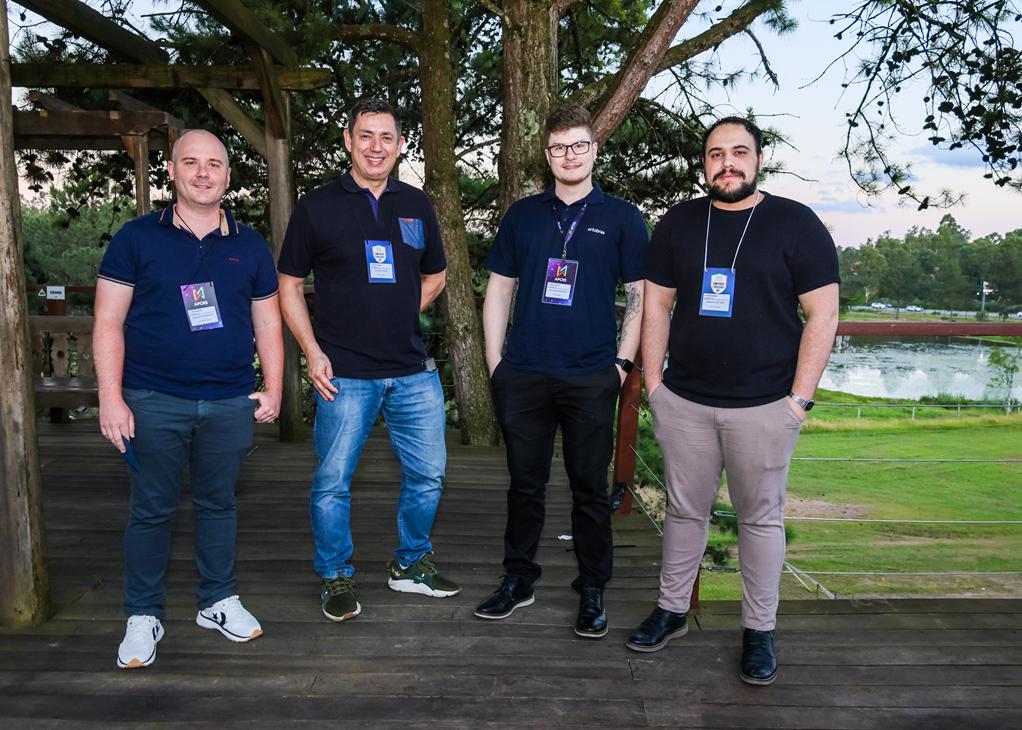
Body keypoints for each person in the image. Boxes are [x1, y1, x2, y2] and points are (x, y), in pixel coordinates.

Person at [626, 116, 839, 685]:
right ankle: (672, 610)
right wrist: (655, 385)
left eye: (739, 152)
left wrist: (798, 400)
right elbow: (657, 305)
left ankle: (758, 630)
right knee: (682, 512)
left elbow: (823, 314)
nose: (727, 163)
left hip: (766, 406)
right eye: (716, 153)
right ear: (705, 164)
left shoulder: (796, 223)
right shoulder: (679, 223)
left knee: (760, 520)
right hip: (685, 402)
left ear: (759, 159)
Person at [94, 129, 283, 669]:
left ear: (228, 175)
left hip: (228, 400)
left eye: (214, 164)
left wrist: (273, 387)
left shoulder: (250, 244)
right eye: (192, 162)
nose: (203, 173)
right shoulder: (135, 238)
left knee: (219, 504)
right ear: (172, 171)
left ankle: (217, 600)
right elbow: (107, 321)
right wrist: (111, 398)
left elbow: (268, 323)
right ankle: (143, 614)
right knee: (151, 508)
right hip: (152, 398)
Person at [277, 98, 459, 623]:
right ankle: (335, 575)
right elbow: (288, 285)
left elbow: (436, 275)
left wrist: (397, 311)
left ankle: (411, 563)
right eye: (366, 136)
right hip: (344, 375)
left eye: (386, 137)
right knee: (332, 482)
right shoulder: (317, 207)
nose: (376, 147)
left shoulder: (417, 204)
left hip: (412, 371)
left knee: (429, 475)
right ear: (348, 140)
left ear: (400, 145)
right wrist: (313, 352)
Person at [475, 105, 649, 638]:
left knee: (589, 489)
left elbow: (639, 296)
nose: (569, 156)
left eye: (578, 145)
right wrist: (496, 362)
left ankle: (592, 587)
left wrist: (620, 366)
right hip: (524, 373)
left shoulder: (623, 218)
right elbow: (499, 288)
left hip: (591, 375)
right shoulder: (523, 215)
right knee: (524, 485)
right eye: (558, 148)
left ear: (594, 149)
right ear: (546, 155)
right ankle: (518, 579)